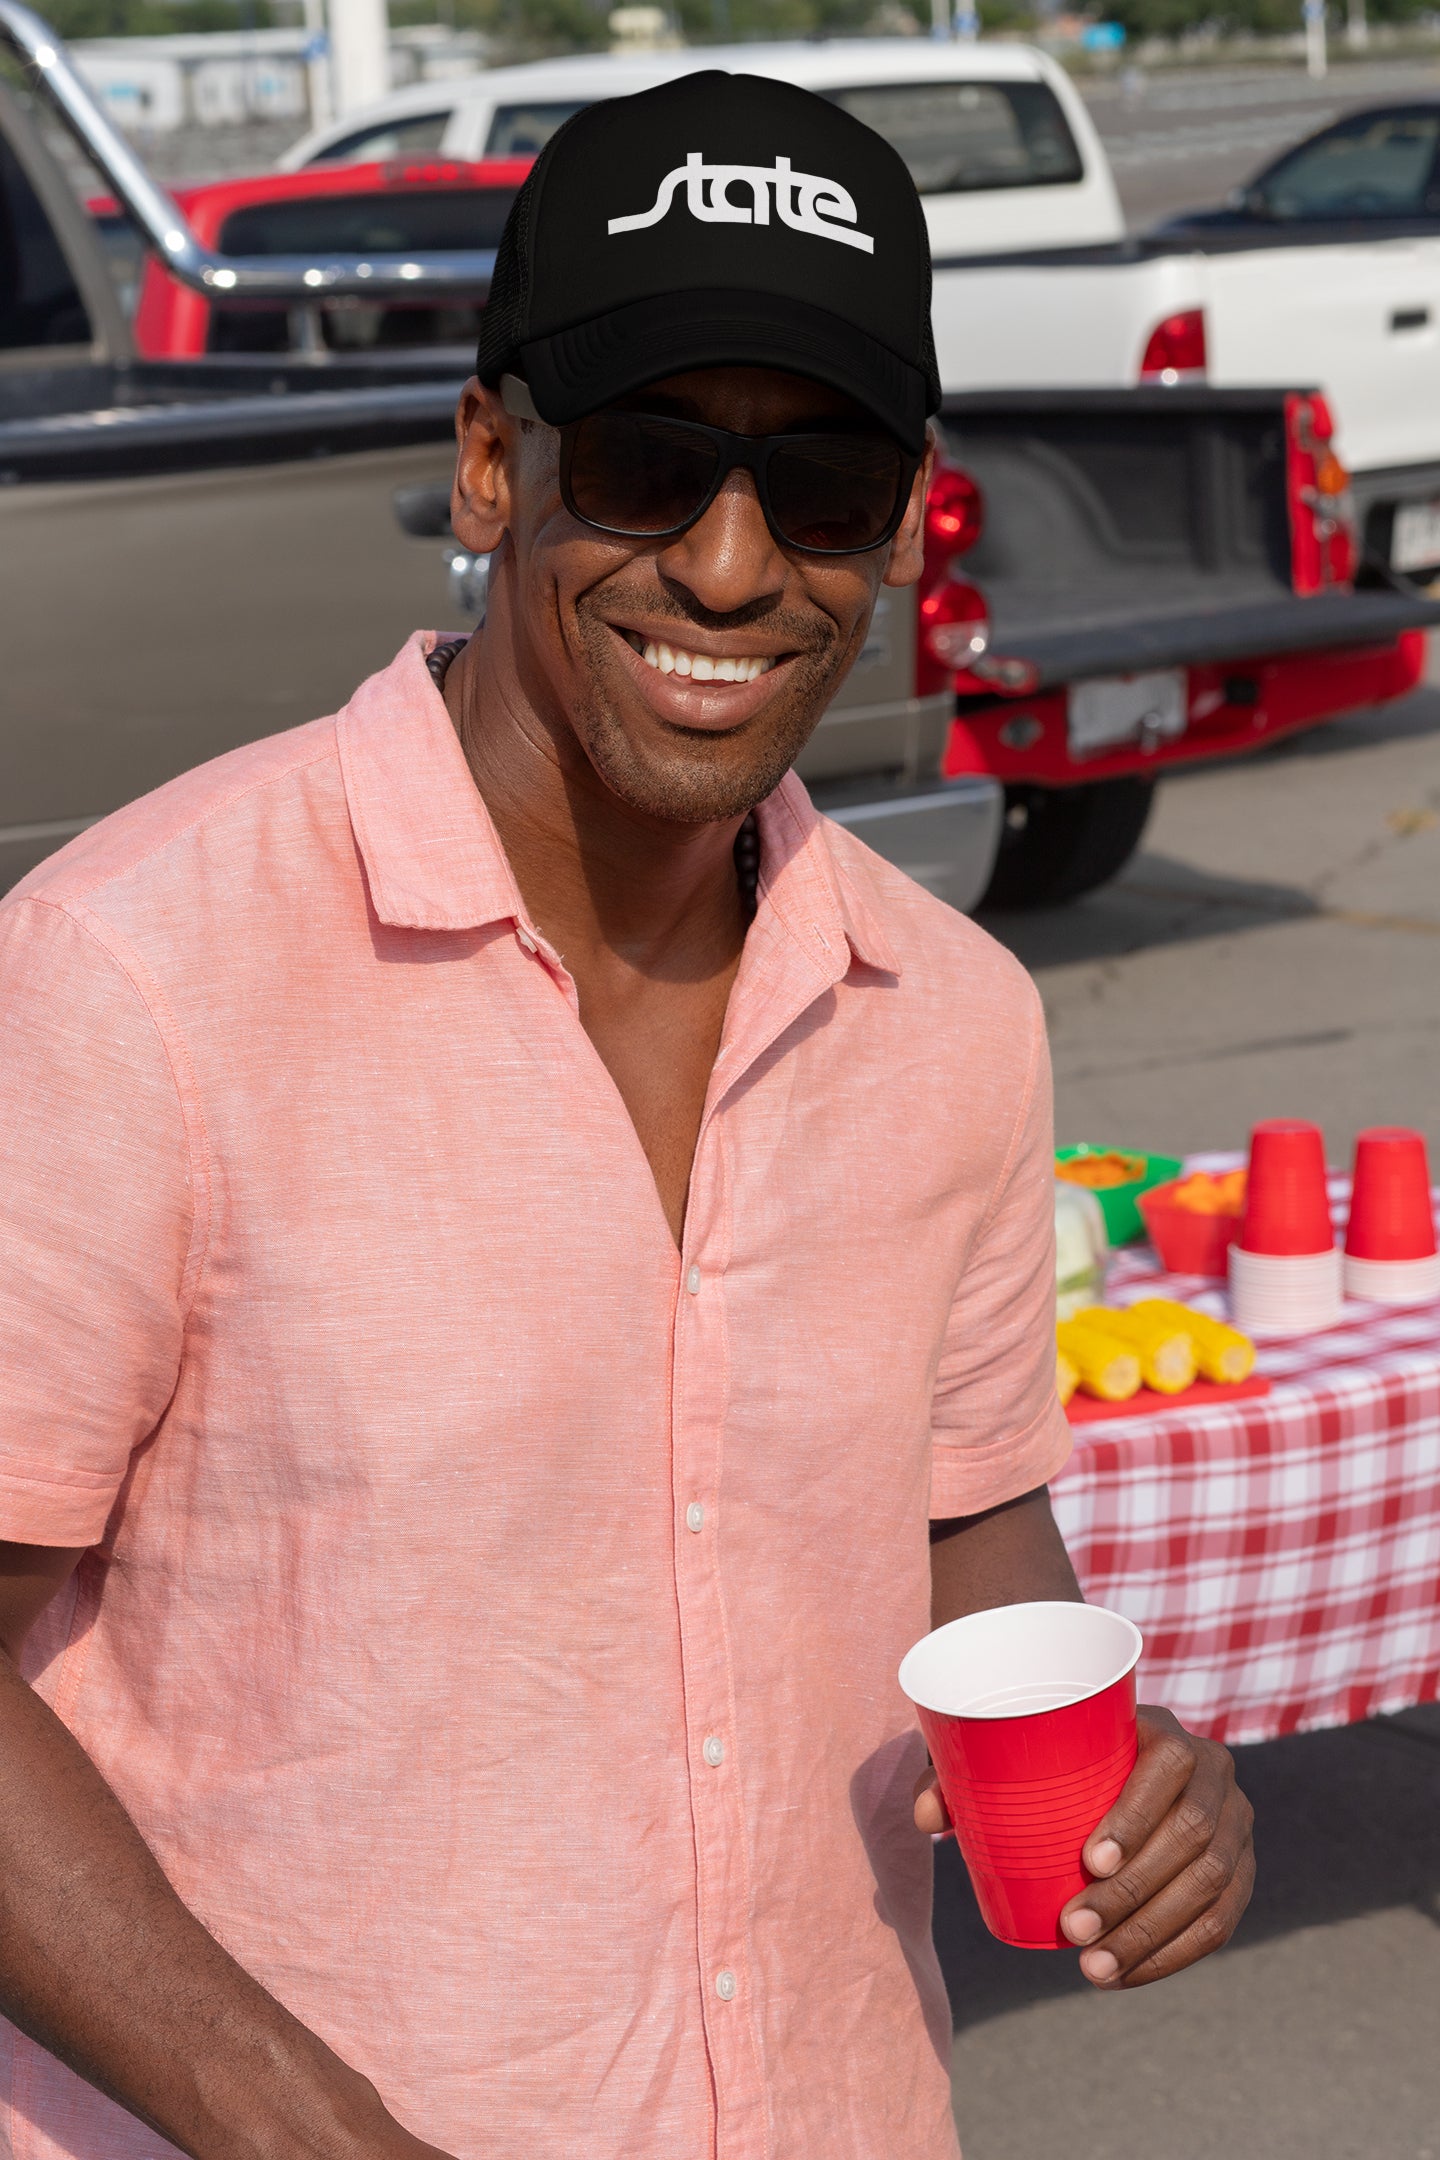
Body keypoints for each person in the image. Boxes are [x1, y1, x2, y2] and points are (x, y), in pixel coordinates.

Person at [0, 71, 1253, 2160]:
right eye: (655, 464)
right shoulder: (133, 976)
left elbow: (961, 1523)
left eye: (824, 481)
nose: (736, 564)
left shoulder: (946, 1016)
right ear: (495, 464)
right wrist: (303, 2123)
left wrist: (1127, 1776)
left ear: (910, 512)